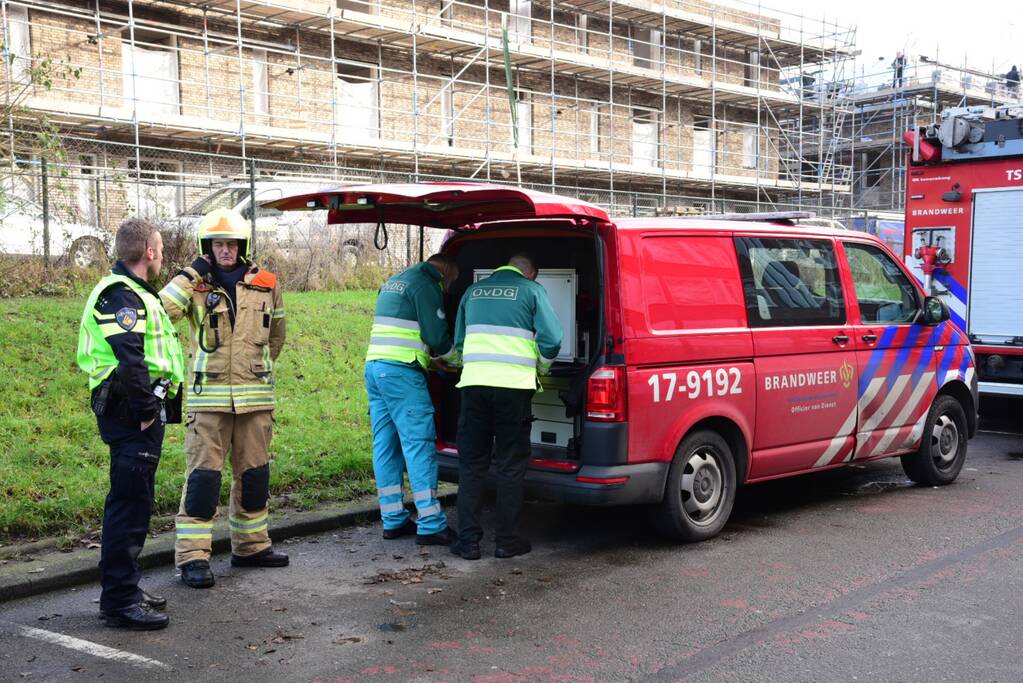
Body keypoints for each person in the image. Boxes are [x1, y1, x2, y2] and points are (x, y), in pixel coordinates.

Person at [159, 208, 288, 588]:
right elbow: (161, 313)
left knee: (254, 478)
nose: (226, 250)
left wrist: (253, 369)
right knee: (203, 481)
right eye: (218, 244)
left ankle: (251, 547)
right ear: (207, 247)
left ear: (242, 245)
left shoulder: (267, 282)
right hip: (209, 400)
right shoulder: (196, 285)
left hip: (255, 399)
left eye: (231, 243)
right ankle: (193, 559)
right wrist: (192, 271)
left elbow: (278, 336)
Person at [77, 218, 185, 630]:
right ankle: (119, 600)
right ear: (151, 252)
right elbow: (130, 360)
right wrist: (144, 413)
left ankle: (125, 587)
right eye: (159, 248)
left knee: (134, 502)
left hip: (136, 411)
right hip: (130, 414)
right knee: (128, 506)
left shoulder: (135, 292)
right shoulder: (120, 296)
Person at [450, 254, 562, 560]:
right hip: (513, 389)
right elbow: (553, 338)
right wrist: (542, 364)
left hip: (473, 387)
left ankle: (468, 542)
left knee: (472, 466)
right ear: (530, 273)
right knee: (510, 465)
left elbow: (459, 343)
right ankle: (507, 541)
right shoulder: (531, 290)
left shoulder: (472, 292)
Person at [365, 253, 460, 544]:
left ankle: (393, 519)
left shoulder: (396, 280)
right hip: (402, 375)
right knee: (418, 444)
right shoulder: (425, 284)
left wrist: (431, 364)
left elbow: (400, 335)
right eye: (450, 283)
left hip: (376, 369)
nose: (447, 290)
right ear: (444, 271)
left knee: (386, 445)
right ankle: (431, 523)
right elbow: (436, 337)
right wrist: (457, 360)